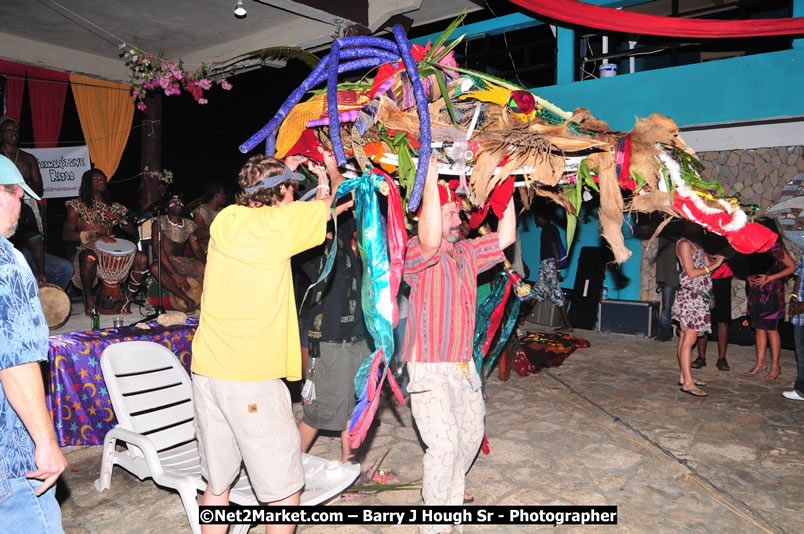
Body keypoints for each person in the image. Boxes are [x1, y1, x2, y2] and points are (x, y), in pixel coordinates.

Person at [191, 152, 350, 534]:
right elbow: (341, 200)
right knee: (283, 489)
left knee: (217, 483)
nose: (295, 195)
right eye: (291, 188)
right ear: (279, 191)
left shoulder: (226, 219)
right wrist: (330, 168)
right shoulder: (279, 225)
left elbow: (276, 199)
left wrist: (278, 166)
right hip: (251, 376)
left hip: (208, 370)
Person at [401, 159, 515, 534]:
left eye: (456, 212)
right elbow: (431, 237)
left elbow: (506, 238)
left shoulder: (467, 252)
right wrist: (431, 181)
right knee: (446, 446)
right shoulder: (416, 253)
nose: (455, 217)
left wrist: (506, 189)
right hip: (429, 368)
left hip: (464, 368)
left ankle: (444, 504)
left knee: (467, 440)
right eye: (447, 211)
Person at [0, 155, 66, 533]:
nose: (22, 211)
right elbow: (14, 362)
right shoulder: (6, 261)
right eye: (18, 198)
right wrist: (44, 442)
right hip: (9, 459)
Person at [297, 150, 370, 464]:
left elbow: (354, 203)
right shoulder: (312, 249)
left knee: (353, 407)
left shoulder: (348, 243)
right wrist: (327, 173)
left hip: (356, 339)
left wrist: (327, 178)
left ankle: (348, 464)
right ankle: (288, 472)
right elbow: (318, 213)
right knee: (318, 413)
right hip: (328, 343)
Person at [62, 169, 149, 315]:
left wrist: (120, 219)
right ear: (87, 183)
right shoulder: (77, 205)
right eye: (96, 178)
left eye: (103, 178)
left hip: (112, 249)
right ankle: (89, 302)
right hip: (88, 248)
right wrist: (94, 236)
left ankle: (126, 301)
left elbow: (132, 231)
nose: (101, 180)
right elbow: (66, 234)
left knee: (142, 258)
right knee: (89, 257)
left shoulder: (115, 207)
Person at [672, 225, 723, 397]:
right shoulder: (684, 244)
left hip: (699, 297)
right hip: (690, 297)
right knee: (690, 339)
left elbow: (707, 265)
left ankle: (685, 377)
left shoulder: (698, 243)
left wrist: (718, 258)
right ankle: (687, 383)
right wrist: (715, 265)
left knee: (685, 338)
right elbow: (692, 273)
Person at [745, 221, 795, 380]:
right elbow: (749, 267)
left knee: (772, 329)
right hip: (756, 293)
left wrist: (770, 278)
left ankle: (775, 366)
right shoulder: (754, 245)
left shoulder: (776, 247)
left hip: (771, 292)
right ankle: (761, 363)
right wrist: (748, 278)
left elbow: (791, 267)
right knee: (759, 328)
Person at [150, 194, 206, 312]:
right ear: (166, 208)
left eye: (180, 201)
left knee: (202, 266)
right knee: (155, 268)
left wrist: (206, 263)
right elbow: (157, 249)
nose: (178, 203)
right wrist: (175, 273)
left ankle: (206, 300)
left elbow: (196, 249)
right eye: (173, 201)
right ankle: (187, 300)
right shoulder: (159, 222)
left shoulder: (188, 224)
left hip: (182, 261)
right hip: (165, 262)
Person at [10, 202, 74, 290]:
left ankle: (50, 298)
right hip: (10, 258)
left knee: (66, 268)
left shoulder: (24, 208)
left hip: (30, 254)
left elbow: (36, 241)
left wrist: (41, 272)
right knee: (21, 255)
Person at [531, 211, 572, 331]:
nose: (535, 220)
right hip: (546, 264)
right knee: (539, 289)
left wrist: (557, 270)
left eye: (536, 217)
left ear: (541, 216)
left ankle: (567, 324)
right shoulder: (549, 229)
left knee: (555, 291)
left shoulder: (548, 229)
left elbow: (555, 248)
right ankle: (522, 318)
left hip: (549, 263)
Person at [692, 260, 733, 370]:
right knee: (704, 317)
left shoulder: (727, 242)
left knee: (723, 319)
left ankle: (722, 358)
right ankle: (701, 357)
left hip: (723, 276)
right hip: (703, 276)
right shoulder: (702, 242)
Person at [782, 249, 804, 401]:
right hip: (800, 310)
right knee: (801, 352)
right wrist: (794, 298)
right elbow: (799, 275)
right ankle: (801, 388)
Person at [655, 233, 679, 342]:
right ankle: (665, 332)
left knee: (685, 306)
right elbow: (660, 257)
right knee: (666, 306)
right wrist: (660, 278)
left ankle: (682, 331)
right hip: (669, 277)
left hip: (686, 276)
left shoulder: (687, 234)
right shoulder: (665, 234)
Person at [192, 182, 227, 253]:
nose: (225, 196)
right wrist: (219, 232)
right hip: (206, 249)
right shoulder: (200, 211)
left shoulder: (223, 211)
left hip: (222, 247)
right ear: (216, 196)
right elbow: (198, 233)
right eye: (223, 194)